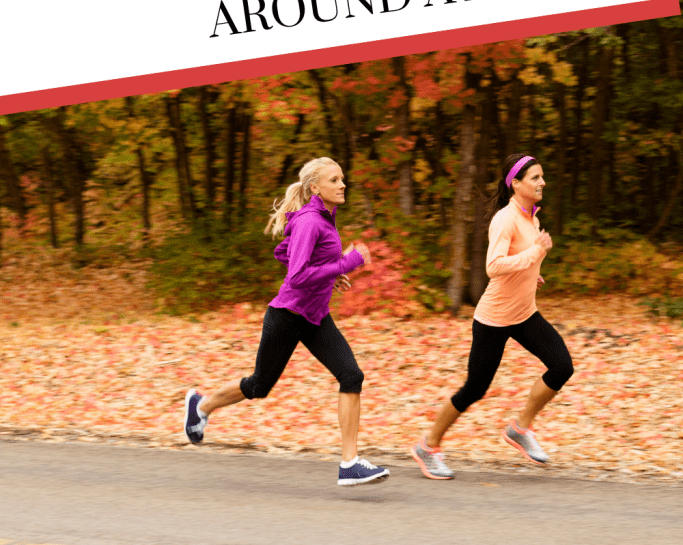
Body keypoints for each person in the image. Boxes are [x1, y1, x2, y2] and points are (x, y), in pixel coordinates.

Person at [184, 156, 390, 487]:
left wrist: (330, 274)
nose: (342, 184)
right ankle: (201, 405)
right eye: (335, 180)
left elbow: (286, 253)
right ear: (315, 188)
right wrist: (344, 265)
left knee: (351, 375)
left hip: (315, 316)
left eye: (342, 179)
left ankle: (350, 463)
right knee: (259, 386)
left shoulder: (323, 216)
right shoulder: (311, 220)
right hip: (287, 317)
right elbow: (296, 275)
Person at [411, 153, 574, 479]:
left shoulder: (532, 219)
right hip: (494, 318)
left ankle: (520, 428)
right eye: (535, 178)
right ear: (515, 183)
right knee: (475, 388)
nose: (542, 183)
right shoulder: (505, 219)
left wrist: (532, 272)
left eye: (542, 177)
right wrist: (535, 254)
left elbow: (519, 262)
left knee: (561, 367)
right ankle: (427, 446)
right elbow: (493, 266)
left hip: (525, 314)